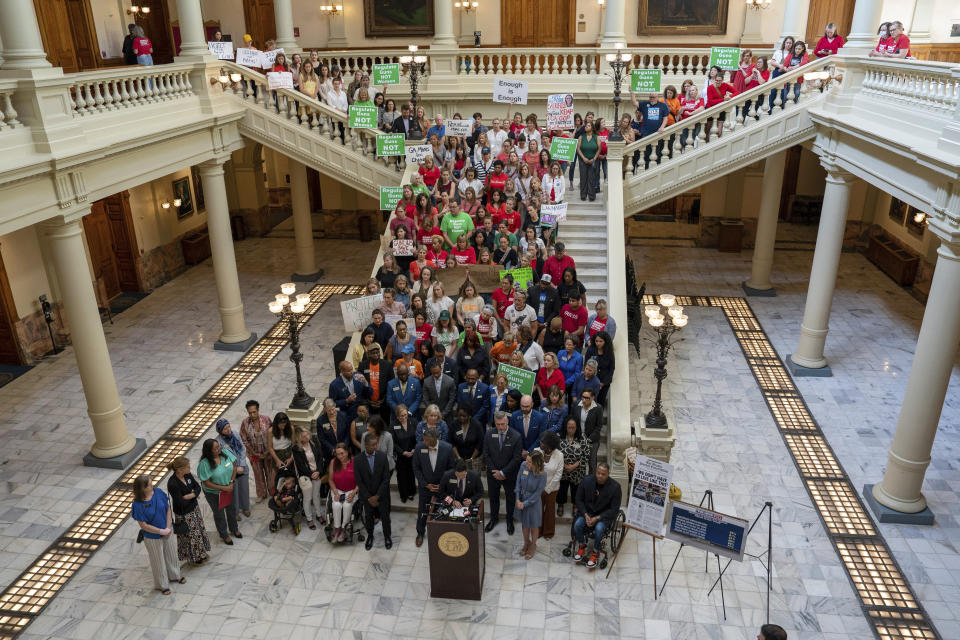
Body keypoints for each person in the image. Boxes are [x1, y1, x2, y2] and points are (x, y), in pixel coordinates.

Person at [131, 476, 183, 594]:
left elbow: (168, 509)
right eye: (150, 485)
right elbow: (143, 525)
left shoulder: (158, 493)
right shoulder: (137, 505)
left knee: (171, 554)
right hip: (152, 537)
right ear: (143, 489)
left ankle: (175, 575)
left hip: (167, 530)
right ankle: (162, 585)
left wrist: (168, 528)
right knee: (157, 560)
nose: (153, 485)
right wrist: (160, 532)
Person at [573, 463, 622, 568]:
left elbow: (614, 509)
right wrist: (585, 514)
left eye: (603, 474)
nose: (600, 476)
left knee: (599, 529)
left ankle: (595, 552)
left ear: (608, 474)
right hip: (588, 511)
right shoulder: (586, 480)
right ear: (595, 472)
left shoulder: (615, 487)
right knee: (577, 524)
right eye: (598, 473)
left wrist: (597, 518)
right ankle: (582, 545)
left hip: (603, 515)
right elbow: (578, 499)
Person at [412, 428, 455, 546]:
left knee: (443, 510)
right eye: (424, 440)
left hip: (442, 488)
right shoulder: (419, 448)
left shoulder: (447, 448)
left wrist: (442, 484)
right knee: (422, 511)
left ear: (436, 439)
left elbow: (452, 468)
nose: (425, 443)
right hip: (426, 487)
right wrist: (426, 484)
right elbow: (416, 468)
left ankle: (441, 532)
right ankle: (420, 532)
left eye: (427, 440)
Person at [483, 411, 523, 534]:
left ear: (507, 422)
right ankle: (493, 519)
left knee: (510, 499)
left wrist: (503, 472)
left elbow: (517, 458)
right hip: (493, 473)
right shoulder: (489, 434)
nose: (500, 427)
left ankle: (509, 521)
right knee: (493, 498)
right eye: (498, 424)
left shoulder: (516, 436)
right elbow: (486, 454)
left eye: (503, 424)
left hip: (509, 474)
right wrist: (495, 471)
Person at [196, 439, 241, 545]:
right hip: (214, 493)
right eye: (215, 448)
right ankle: (224, 534)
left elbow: (234, 466)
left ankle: (234, 529)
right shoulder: (204, 464)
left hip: (229, 487)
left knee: (231, 508)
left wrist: (231, 482)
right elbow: (206, 482)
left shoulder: (225, 453)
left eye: (219, 446)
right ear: (209, 451)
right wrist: (223, 488)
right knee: (219, 513)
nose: (219, 449)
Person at [166, 457, 210, 566]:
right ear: (180, 470)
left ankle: (201, 553)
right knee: (191, 536)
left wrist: (192, 495)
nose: (190, 468)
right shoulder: (172, 484)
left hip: (194, 509)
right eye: (187, 467)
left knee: (198, 531)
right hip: (184, 513)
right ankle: (196, 558)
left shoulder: (187, 475)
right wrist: (193, 497)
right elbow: (181, 502)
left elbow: (197, 487)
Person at [354, 432, 392, 550]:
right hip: (367, 496)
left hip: (382, 495)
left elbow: (386, 478)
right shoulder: (357, 459)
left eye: (376, 444)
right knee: (369, 518)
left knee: (385, 517)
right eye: (372, 445)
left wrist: (377, 495)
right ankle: (370, 536)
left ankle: (387, 537)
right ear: (365, 445)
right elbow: (359, 481)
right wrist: (369, 497)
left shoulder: (382, 456)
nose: (375, 447)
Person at [215, 419, 250, 519]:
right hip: (231, 470)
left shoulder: (234, 433)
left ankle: (245, 508)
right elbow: (223, 459)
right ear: (220, 430)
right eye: (225, 429)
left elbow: (242, 448)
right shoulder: (218, 442)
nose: (228, 430)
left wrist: (242, 465)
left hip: (242, 468)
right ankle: (236, 512)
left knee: (244, 488)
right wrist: (234, 468)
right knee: (234, 492)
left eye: (228, 427)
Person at [239, 400, 274, 501]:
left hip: (268, 452)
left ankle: (272, 490)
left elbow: (273, 434)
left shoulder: (266, 419)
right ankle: (262, 493)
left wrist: (268, 450)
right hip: (254, 454)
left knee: (270, 471)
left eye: (254, 412)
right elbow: (244, 439)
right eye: (250, 412)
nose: (252, 414)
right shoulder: (245, 423)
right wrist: (254, 452)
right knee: (258, 474)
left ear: (258, 410)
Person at [515, 450, 547, 559]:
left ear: (537, 464)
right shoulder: (522, 466)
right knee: (524, 524)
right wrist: (517, 499)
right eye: (527, 460)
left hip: (533, 503)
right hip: (521, 499)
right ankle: (526, 543)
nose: (526, 463)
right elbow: (518, 483)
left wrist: (525, 504)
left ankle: (533, 545)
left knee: (533, 525)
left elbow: (538, 494)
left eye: (529, 462)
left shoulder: (542, 474)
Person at [292, 426, 325, 530]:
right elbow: (300, 465)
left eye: (307, 434)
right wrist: (311, 474)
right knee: (307, 498)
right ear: (298, 438)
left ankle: (319, 515)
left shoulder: (314, 441)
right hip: (305, 476)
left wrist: (318, 471)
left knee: (316, 495)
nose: (307, 436)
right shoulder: (296, 448)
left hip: (317, 473)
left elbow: (320, 457)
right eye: (304, 436)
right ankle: (309, 519)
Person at [557, 417, 590, 517]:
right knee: (562, 488)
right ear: (565, 427)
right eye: (569, 427)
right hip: (563, 470)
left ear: (577, 427)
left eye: (573, 427)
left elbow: (587, 454)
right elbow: (555, 453)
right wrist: (564, 465)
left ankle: (575, 506)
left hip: (577, 471)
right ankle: (560, 505)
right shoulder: (559, 437)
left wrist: (575, 465)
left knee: (576, 489)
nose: (571, 430)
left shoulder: (582, 437)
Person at [327, 443, 358, 543]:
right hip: (338, 489)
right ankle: (337, 529)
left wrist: (353, 494)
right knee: (336, 505)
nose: (340, 456)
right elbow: (330, 480)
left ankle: (344, 529)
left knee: (347, 505)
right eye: (337, 454)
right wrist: (336, 493)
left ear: (347, 452)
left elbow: (360, 481)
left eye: (342, 453)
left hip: (352, 490)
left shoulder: (355, 461)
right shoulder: (333, 462)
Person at [537, 431, 564, 539]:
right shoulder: (536, 452)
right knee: (538, 511)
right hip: (538, 488)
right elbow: (533, 471)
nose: (540, 443)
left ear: (549, 445)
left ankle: (548, 533)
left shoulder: (559, 455)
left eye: (543, 442)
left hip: (552, 489)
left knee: (549, 511)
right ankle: (537, 531)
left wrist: (547, 489)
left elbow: (558, 475)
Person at [360, 345, 395, 423]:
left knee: (385, 424)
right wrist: (368, 401)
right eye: (373, 353)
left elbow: (392, 384)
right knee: (370, 424)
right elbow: (360, 385)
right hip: (369, 402)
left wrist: (384, 399)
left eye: (377, 352)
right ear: (368, 354)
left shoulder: (387, 365)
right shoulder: (362, 366)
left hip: (383, 402)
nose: (376, 354)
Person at [576, 388, 604, 473]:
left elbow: (598, 426)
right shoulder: (576, 405)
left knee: (592, 462)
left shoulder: (598, 408)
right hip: (579, 438)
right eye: (583, 397)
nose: (584, 400)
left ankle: (591, 480)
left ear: (592, 398)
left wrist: (588, 440)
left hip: (592, 440)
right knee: (578, 460)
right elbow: (573, 420)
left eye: (587, 398)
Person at [584, 331, 615, 405]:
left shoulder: (609, 352)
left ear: (605, 341)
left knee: (600, 402)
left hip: (604, 382)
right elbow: (586, 364)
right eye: (596, 341)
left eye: (601, 341)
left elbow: (612, 368)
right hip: (591, 380)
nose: (598, 343)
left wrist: (603, 383)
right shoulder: (591, 350)